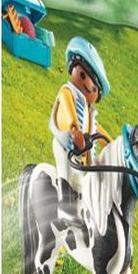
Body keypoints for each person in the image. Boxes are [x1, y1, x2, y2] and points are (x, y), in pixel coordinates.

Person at [51, 36, 109, 195]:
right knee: (66, 178)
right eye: (83, 75)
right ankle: (62, 204)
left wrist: (111, 144)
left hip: (81, 159)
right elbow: (70, 114)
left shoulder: (89, 112)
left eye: (94, 88)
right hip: (65, 147)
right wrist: (76, 131)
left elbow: (97, 131)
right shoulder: (67, 92)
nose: (89, 85)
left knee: (85, 188)